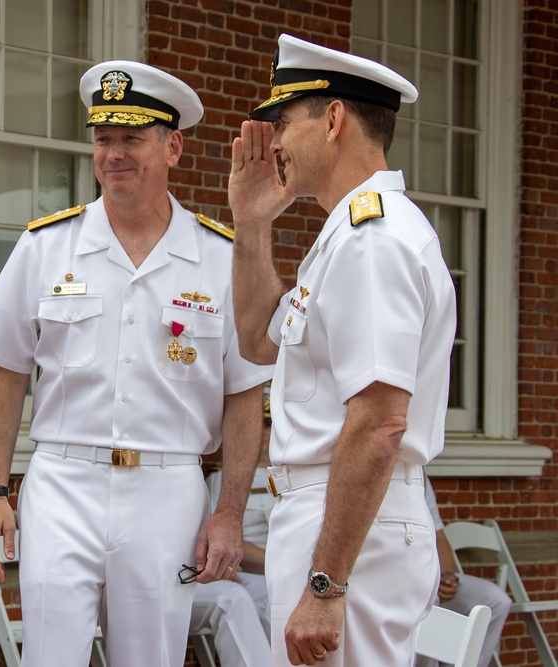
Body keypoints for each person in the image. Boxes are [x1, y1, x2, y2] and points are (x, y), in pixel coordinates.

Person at [0, 60, 273, 667]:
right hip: (62, 478)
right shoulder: (47, 245)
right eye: (104, 138)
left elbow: (244, 396)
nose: (114, 153)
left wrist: (230, 512)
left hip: (168, 487)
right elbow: (5, 372)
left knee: (152, 657)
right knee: (49, 655)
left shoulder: (220, 258)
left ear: (172, 146)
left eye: (132, 138)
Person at [227, 34, 457, 666]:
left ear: (333, 119)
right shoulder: (346, 238)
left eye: (284, 121)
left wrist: (326, 583)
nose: (273, 142)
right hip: (338, 521)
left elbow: (380, 421)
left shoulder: (370, 240)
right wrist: (251, 224)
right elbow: (257, 339)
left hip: (353, 532)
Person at [190, 405, 275, 666]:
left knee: (282, 595)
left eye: (269, 426)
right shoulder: (225, 479)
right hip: (244, 570)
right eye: (258, 425)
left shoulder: (287, 478)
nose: (263, 433)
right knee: (262, 595)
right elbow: (223, 538)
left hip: (276, 572)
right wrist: (278, 564)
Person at [415, 479, 512, 667]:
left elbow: (439, 537)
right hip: (407, 581)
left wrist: (449, 576)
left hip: (434, 576)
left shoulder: (421, 477)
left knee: (496, 601)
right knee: (429, 602)